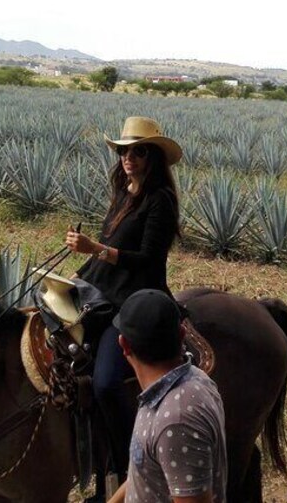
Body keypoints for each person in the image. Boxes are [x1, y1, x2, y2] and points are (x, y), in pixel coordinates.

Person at [64, 116, 182, 484]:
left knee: (105, 382)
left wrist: (97, 249)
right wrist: (76, 276)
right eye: (123, 150)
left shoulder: (160, 200)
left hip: (136, 297)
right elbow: (103, 251)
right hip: (103, 289)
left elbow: (148, 259)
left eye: (137, 151)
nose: (128, 157)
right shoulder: (123, 193)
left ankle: (131, 468)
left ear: (153, 157)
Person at [107, 289, 227, 503]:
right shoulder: (192, 379)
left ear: (123, 345)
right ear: (182, 334)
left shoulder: (176, 420)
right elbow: (146, 471)